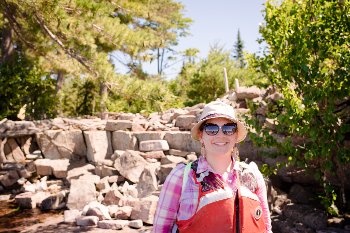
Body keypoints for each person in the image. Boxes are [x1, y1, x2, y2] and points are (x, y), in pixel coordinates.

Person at [152, 100, 272, 233]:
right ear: (201, 135)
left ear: (236, 135)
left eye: (228, 128)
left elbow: (266, 228)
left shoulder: (253, 176)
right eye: (211, 129)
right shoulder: (180, 178)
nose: (220, 135)